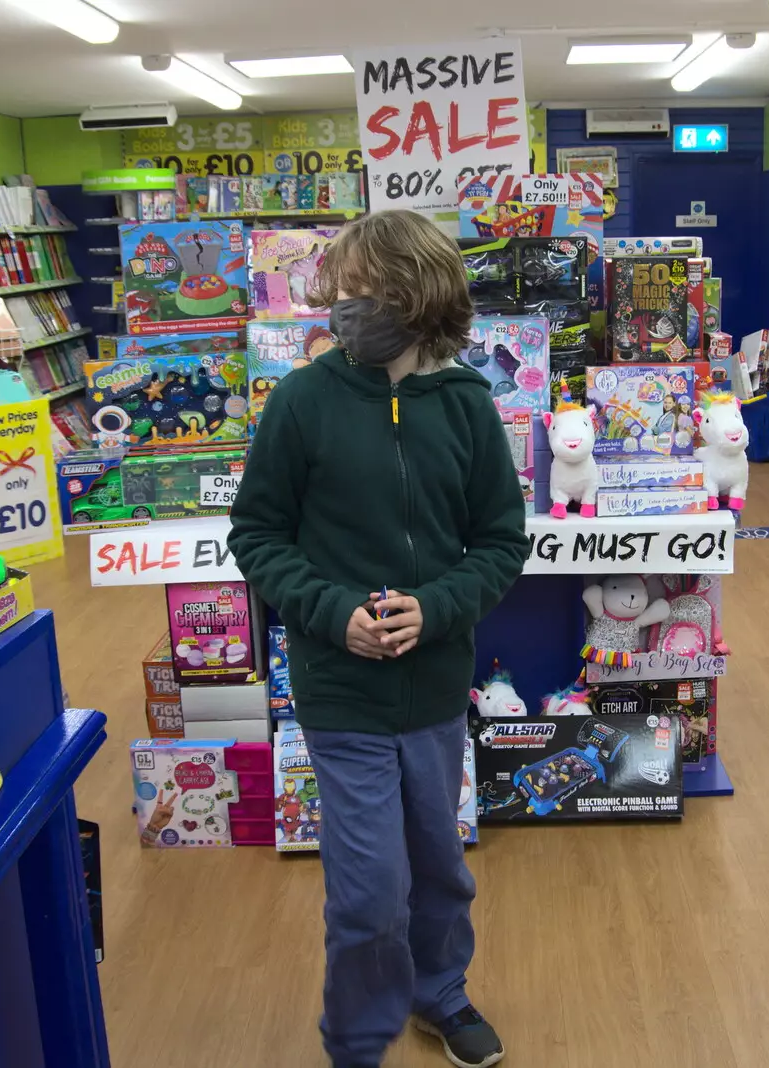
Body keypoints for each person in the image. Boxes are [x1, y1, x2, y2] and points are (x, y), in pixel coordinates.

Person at [228, 209, 529, 1068]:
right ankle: (358, 1040)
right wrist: (331, 610)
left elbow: (501, 543)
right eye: (340, 291)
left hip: (435, 688)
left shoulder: (471, 405)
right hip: (340, 688)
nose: (344, 306)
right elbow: (257, 536)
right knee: (367, 891)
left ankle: (440, 994)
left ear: (417, 294)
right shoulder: (303, 400)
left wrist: (436, 607)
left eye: (364, 291)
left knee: (440, 867)